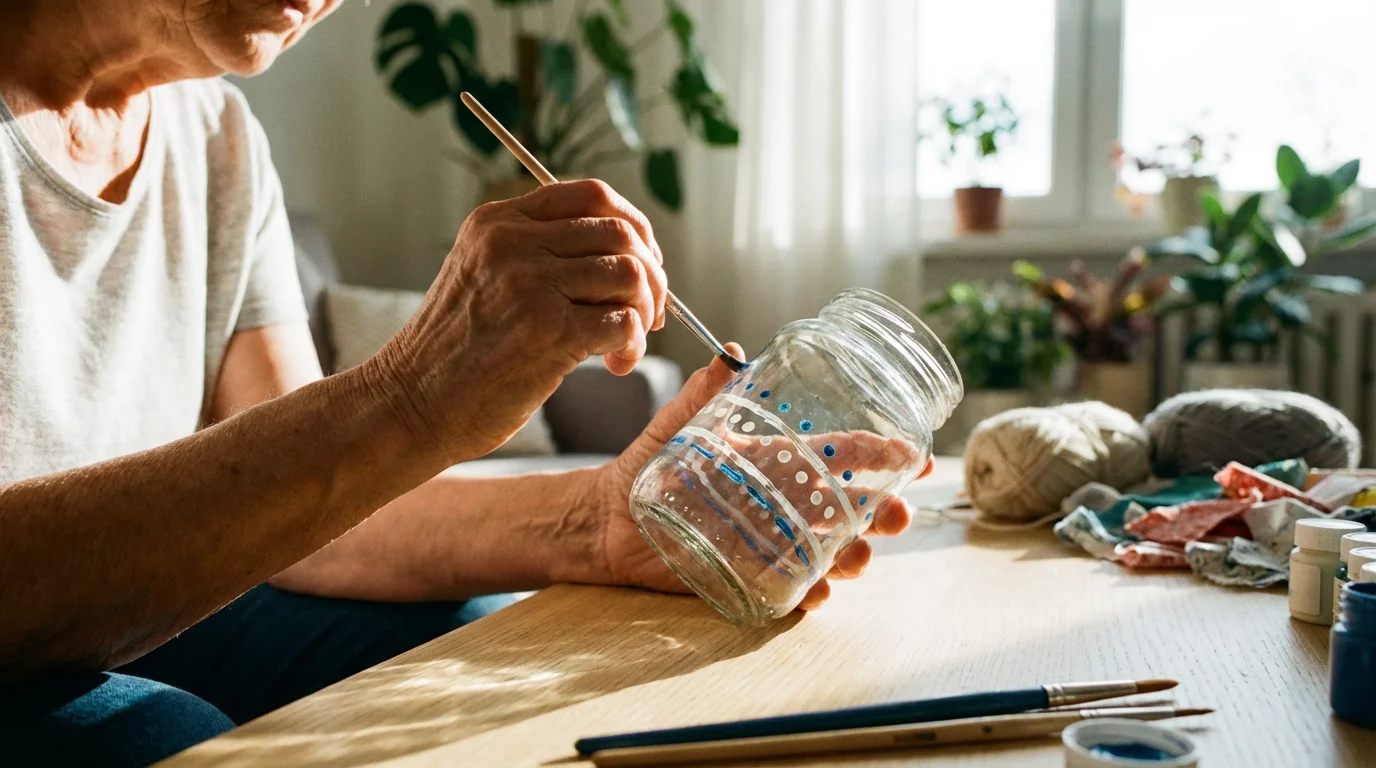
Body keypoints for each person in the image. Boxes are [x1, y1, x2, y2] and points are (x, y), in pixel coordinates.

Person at [0, 1, 926, 764]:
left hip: (153, 617)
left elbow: (302, 525)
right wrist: (413, 395)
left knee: (481, 648)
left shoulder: (218, 137)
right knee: (166, 742)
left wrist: (600, 520)